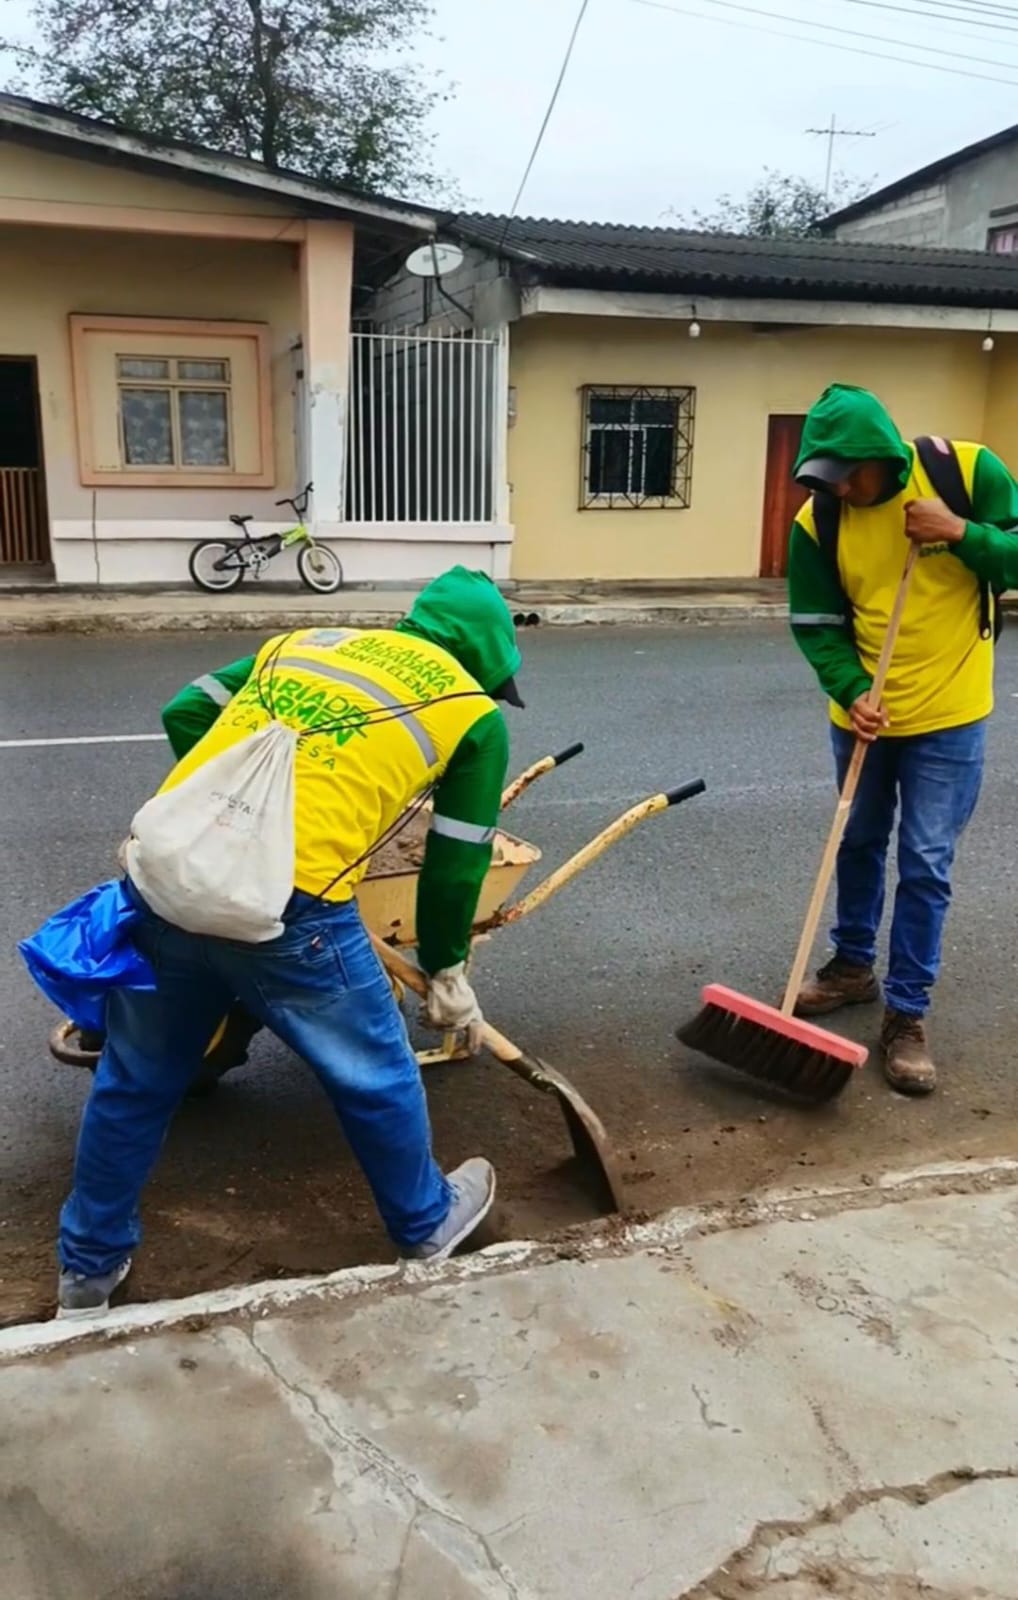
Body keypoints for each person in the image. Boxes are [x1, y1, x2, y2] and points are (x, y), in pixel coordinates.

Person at [57, 567, 524, 1317]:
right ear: (487, 659)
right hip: (290, 911)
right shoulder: (473, 715)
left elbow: (186, 709)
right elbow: (456, 862)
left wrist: (231, 817)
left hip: (164, 882)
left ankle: (86, 1273)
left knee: (134, 1081)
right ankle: (426, 1222)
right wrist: (444, 968)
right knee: (377, 1074)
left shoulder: (306, 642)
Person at [788, 383, 1018, 1096]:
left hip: (949, 716)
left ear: (882, 457)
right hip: (865, 713)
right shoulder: (818, 518)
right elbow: (816, 622)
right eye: (827, 477)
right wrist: (850, 688)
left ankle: (907, 1013)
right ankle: (852, 966)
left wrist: (962, 533)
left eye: (849, 475)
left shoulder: (968, 472)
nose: (840, 489)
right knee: (857, 842)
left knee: (924, 863)